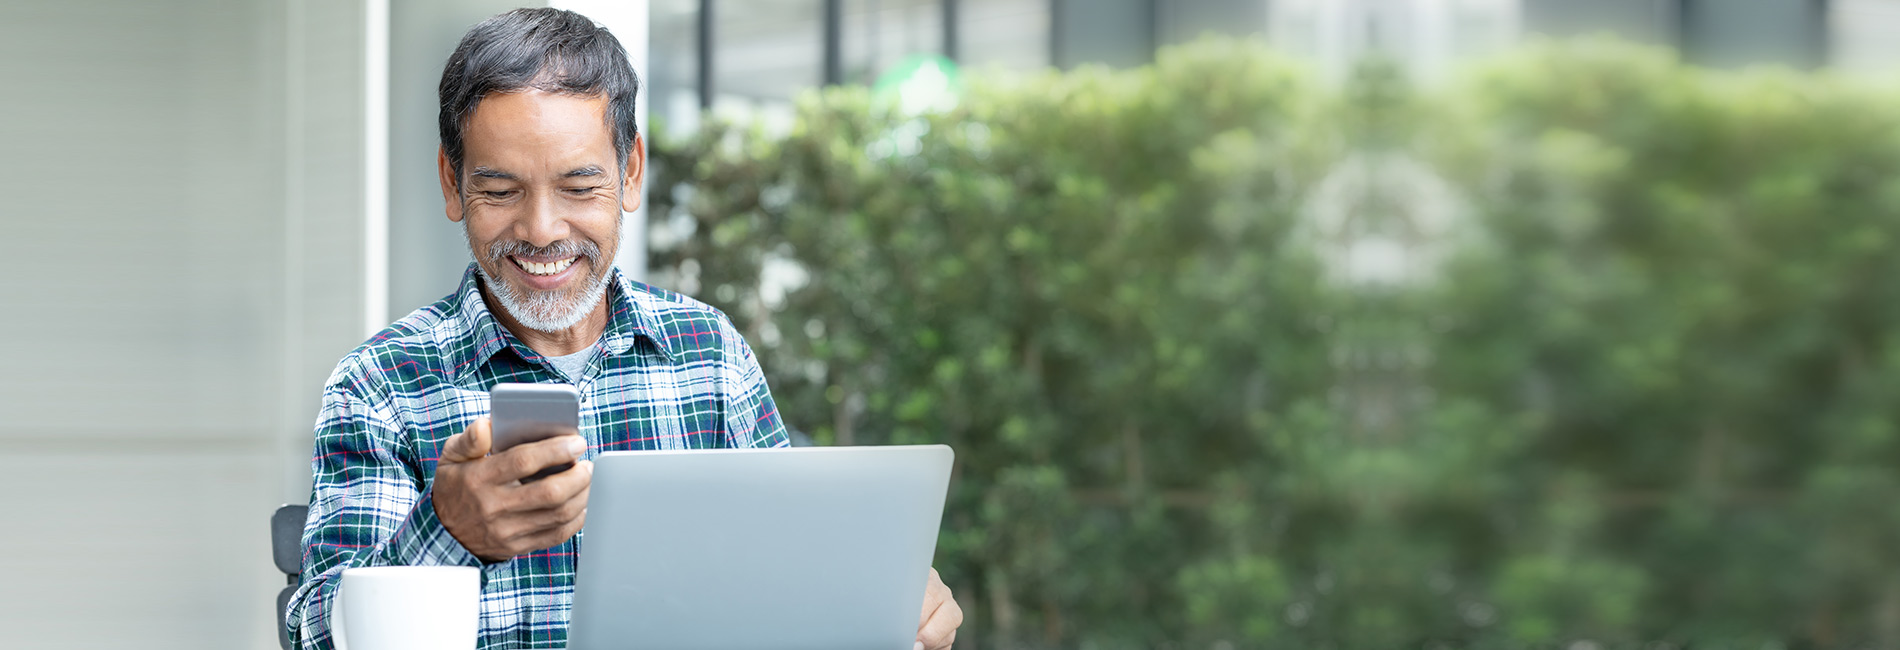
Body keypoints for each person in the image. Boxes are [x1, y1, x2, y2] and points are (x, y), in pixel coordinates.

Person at [282, 8, 963, 649]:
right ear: (452, 184)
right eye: (500, 190)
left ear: (630, 172)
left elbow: (787, 577)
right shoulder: (381, 383)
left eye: (579, 187)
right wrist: (448, 531)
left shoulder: (708, 353)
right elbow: (314, 632)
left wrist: (882, 602)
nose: (542, 230)